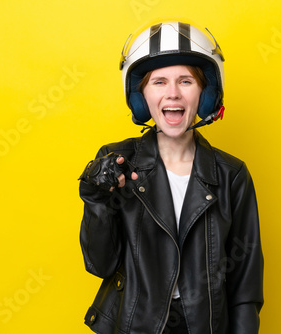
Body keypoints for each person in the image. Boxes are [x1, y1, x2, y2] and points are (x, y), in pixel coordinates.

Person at [78, 21, 264, 334]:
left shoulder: (232, 175)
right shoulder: (116, 163)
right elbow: (100, 265)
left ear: (206, 95)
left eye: (186, 81)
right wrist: (96, 200)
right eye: (159, 82)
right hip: (135, 325)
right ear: (142, 96)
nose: (173, 93)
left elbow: (245, 287)